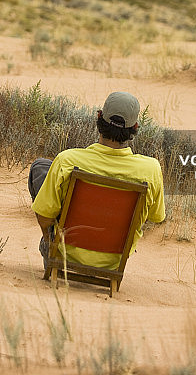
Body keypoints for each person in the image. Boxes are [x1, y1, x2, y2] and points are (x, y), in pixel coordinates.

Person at [28, 91, 165, 271]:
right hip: (114, 260)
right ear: (135, 127)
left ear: (99, 117)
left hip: (66, 251)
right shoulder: (151, 169)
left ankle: (51, 248)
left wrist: (48, 237)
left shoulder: (67, 160)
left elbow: (45, 217)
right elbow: (156, 217)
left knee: (41, 167)